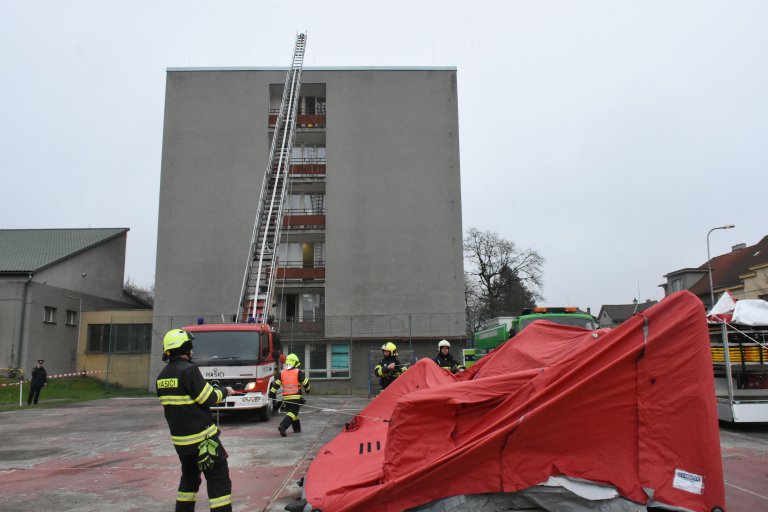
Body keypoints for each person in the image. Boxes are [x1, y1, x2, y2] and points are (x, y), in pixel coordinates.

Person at [156, 328, 235, 512]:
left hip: (182, 443)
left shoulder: (162, 377)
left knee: (189, 479)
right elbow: (207, 397)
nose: (192, 350)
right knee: (218, 479)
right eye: (190, 346)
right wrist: (225, 391)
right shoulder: (189, 370)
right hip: (203, 440)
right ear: (185, 348)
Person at [269, 353, 311, 437]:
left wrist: (271, 393)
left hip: (286, 398)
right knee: (293, 412)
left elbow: (276, 385)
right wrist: (307, 390)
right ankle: (283, 426)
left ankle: (297, 429)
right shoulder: (297, 372)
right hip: (295, 397)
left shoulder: (282, 373)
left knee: (293, 413)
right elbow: (305, 382)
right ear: (294, 363)